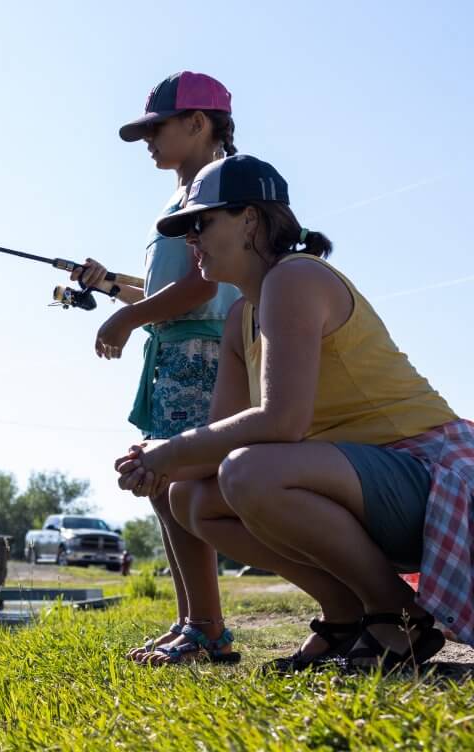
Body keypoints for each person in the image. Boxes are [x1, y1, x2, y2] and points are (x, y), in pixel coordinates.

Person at [115, 154, 473, 670]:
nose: (191, 239)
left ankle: (398, 616)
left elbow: (281, 422)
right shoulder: (243, 313)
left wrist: (172, 448)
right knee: (189, 497)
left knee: (250, 473)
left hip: (433, 478)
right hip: (367, 488)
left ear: (251, 220)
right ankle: (345, 616)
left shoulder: (295, 279)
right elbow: (214, 442)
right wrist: (155, 465)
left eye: (202, 222)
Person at [73, 71, 242, 662]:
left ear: (198, 123)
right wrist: (114, 287)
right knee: (161, 487)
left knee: (176, 484)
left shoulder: (213, 187)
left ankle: (208, 629)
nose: (147, 139)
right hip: (176, 351)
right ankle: (194, 620)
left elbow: (202, 286)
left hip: (200, 354)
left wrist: (125, 319)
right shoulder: (181, 196)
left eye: (156, 127)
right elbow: (171, 290)